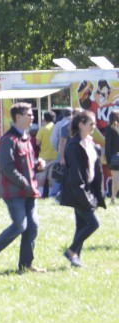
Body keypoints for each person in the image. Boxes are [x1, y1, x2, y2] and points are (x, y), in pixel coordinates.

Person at [0, 102, 45, 274]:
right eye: (28, 114)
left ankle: (26, 265)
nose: (32, 117)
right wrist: (24, 183)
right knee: (20, 225)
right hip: (14, 191)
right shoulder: (9, 139)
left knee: (33, 226)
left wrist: (38, 164)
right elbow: (6, 167)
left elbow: (27, 162)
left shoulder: (26, 137)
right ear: (18, 117)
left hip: (29, 190)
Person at [59, 110, 106, 268]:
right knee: (93, 224)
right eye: (91, 124)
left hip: (88, 189)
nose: (94, 126)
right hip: (78, 191)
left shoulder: (89, 143)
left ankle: (75, 259)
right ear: (81, 124)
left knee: (81, 225)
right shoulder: (74, 145)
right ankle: (71, 251)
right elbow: (75, 175)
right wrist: (85, 197)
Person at [34, 111, 57, 196]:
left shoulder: (42, 129)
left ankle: (40, 193)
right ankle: (51, 194)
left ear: (44, 118)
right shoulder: (56, 128)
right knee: (51, 177)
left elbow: (37, 143)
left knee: (41, 177)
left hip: (43, 156)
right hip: (55, 156)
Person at [104, 112, 119, 202]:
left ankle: (113, 198)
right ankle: (113, 198)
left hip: (114, 157)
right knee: (115, 179)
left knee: (116, 179)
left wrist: (107, 157)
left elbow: (108, 145)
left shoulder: (109, 128)